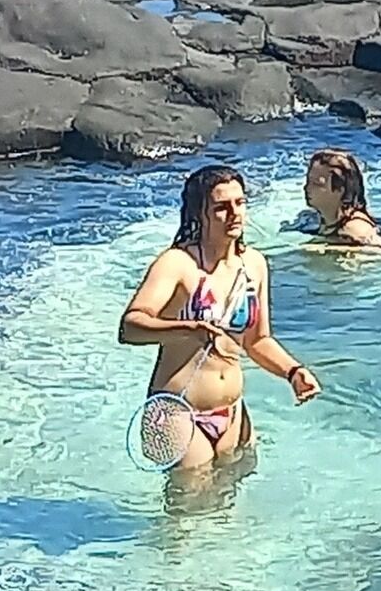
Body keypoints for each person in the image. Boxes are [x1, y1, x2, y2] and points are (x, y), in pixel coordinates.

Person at [119, 163, 320, 474]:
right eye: (222, 208)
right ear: (201, 214)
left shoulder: (253, 264)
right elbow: (130, 326)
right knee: (187, 515)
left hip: (233, 411)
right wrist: (187, 329)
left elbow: (257, 341)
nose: (235, 214)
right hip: (177, 412)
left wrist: (293, 372)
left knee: (231, 508)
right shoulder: (178, 263)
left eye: (240, 203)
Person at [300, 148, 381, 251]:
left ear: (340, 190)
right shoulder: (315, 218)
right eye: (308, 181)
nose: (307, 188)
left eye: (317, 184)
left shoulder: (356, 229)